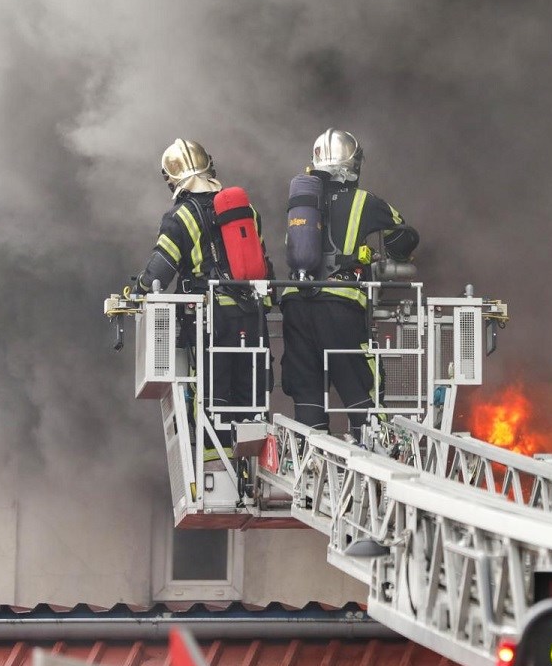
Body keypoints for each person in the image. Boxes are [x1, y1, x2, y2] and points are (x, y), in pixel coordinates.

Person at [280, 128, 420, 433]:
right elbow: (402, 235)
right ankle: (374, 452)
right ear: (354, 164)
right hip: (339, 305)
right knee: (360, 389)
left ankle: (310, 460)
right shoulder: (365, 201)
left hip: (295, 303)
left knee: (308, 396)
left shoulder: (300, 201)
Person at [134, 139, 274, 437]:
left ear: (172, 179)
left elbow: (161, 269)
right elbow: (262, 260)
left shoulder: (179, 217)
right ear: (209, 165)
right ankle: (249, 457)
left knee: (213, 398)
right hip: (251, 314)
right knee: (250, 398)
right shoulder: (244, 209)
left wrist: (137, 292)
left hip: (210, 320)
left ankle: (215, 462)